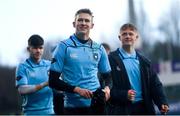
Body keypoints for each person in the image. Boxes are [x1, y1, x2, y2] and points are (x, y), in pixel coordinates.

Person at [49, 8, 111, 115]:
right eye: (80, 20)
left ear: (92, 25)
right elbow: (52, 81)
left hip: (97, 106)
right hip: (73, 108)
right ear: (74, 24)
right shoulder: (63, 46)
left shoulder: (99, 48)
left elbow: (108, 77)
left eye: (87, 21)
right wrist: (76, 89)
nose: (83, 23)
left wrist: (107, 89)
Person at [107, 23, 169, 115]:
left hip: (144, 108)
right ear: (119, 38)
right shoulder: (110, 59)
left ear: (136, 37)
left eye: (131, 34)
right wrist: (124, 95)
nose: (127, 36)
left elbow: (155, 85)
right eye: (124, 34)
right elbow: (106, 87)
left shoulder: (145, 62)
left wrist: (162, 102)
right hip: (121, 109)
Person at [15, 34, 54, 115]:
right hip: (31, 113)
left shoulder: (49, 65)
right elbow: (22, 89)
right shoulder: (23, 67)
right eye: (35, 48)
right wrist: (44, 84)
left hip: (50, 112)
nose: (38, 51)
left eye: (40, 48)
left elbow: (59, 88)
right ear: (29, 49)